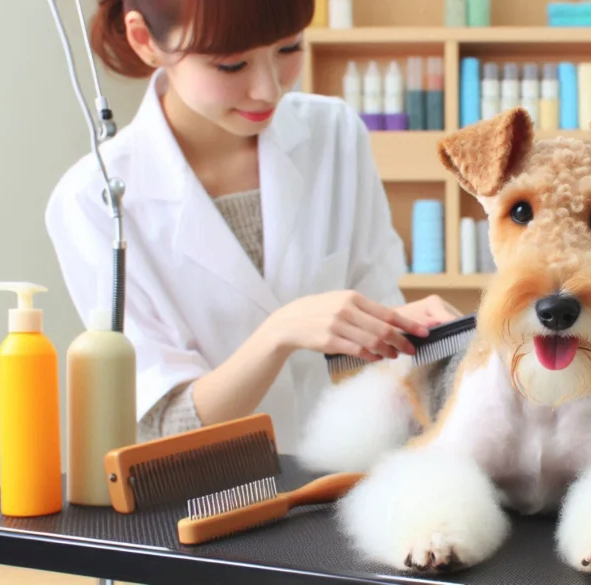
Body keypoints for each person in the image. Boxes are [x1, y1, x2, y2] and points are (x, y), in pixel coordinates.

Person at [44, 0, 462, 453]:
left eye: (288, 49)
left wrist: (426, 339)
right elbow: (168, 425)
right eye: (232, 65)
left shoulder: (334, 132)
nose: (268, 89)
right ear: (145, 41)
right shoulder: (93, 199)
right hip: (203, 500)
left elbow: (379, 341)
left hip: (340, 478)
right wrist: (279, 333)